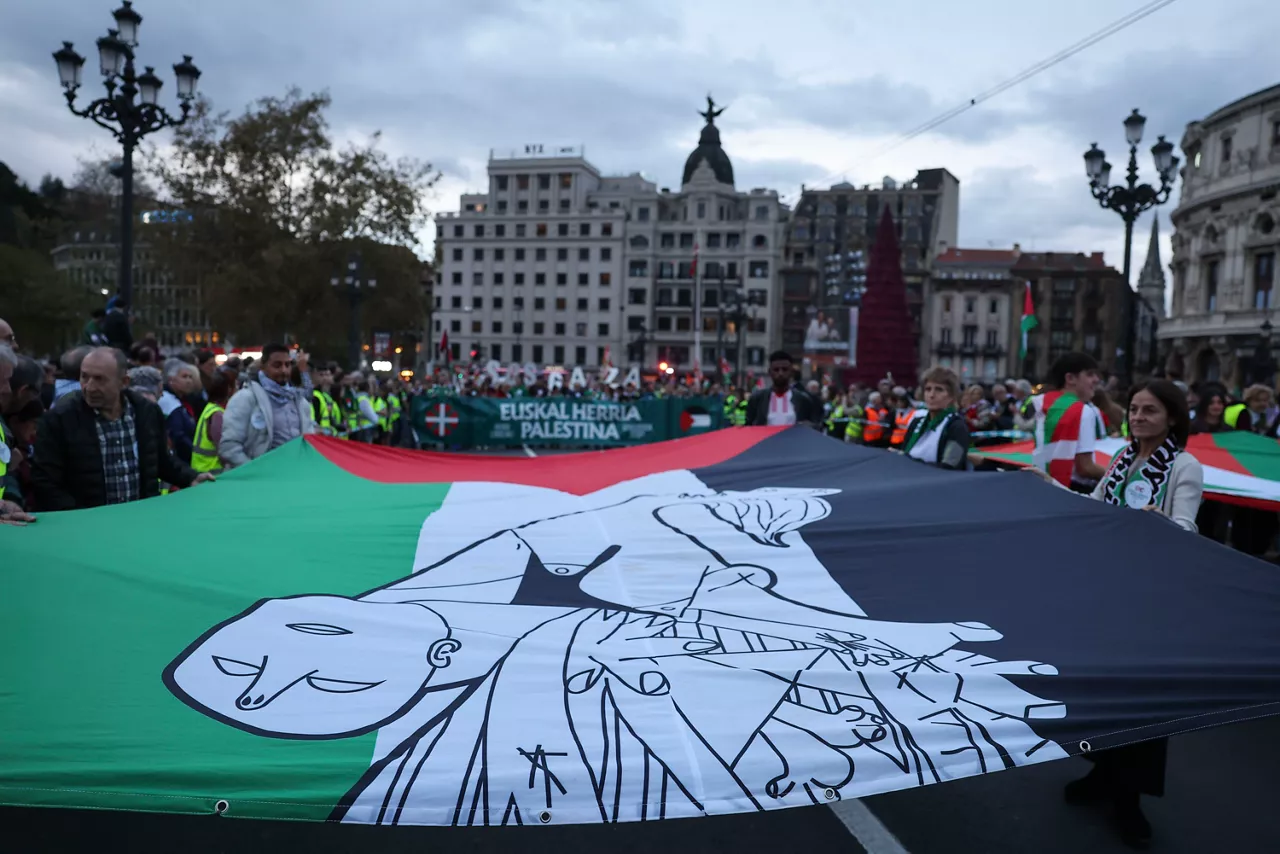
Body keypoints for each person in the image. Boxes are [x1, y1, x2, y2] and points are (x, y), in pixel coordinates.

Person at [1055, 379, 1202, 848]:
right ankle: (1102, 771)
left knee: (1140, 692)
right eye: (1134, 409)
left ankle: (1128, 797)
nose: (1138, 417)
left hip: (1151, 598)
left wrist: (1162, 524)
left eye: (1150, 410)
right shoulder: (1122, 459)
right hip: (1108, 588)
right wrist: (1049, 489)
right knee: (1102, 685)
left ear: (1172, 417)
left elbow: (1187, 530)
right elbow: (1095, 507)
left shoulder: (1184, 466)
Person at [31, 347, 212, 511]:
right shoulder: (60, 419)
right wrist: (81, 518)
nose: (90, 387)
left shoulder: (146, 413)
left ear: (124, 382)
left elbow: (160, 461)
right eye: (84, 377)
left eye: (100, 379)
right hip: (88, 527)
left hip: (140, 520)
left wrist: (191, 477)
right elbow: (45, 482)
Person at [219, 344, 316, 468]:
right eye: (277, 365)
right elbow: (229, 447)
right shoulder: (245, 399)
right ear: (263, 366)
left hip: (294, 474)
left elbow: (309, 442)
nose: (284, 370)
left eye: (287, 365)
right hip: (259, 477)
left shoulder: (299, 401)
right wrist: (255, 472)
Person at [1030, 352, 1107, 492]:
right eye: (1090, 374)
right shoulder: (1082, 411)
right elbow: (1085, 467)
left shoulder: (1044, 406)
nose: (1096, 379)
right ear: (1070, 378)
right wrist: (1115, 475)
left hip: (1042, 484)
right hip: (1073, 489)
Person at [900, 366, 970, 470]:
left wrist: (911, 462)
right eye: (928, 389)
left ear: (951, 396)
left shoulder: (957, 427)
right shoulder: (917, 422)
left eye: (939, 390)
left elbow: (950, 466)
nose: (931, 395)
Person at [745, 351, 821, 427]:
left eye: (784, 369)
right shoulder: (757, 399)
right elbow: (748, 426)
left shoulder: (803, 400)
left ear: (791, 372)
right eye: (776, 370)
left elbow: (815, 425)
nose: (780, 373)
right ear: (770, 372)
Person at [160, 360, 202, 466]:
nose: (189, 381)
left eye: (190, 377)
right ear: (171, 380)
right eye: (184, 377)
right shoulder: (168, 401)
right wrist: (196, 452)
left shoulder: (185, 399)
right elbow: (178, 435)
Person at [192, 371, 232, 475]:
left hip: (202, 470)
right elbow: (223, 450)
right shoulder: (217, 414)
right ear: (228, 389)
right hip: (212, 473)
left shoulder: (209, 408)